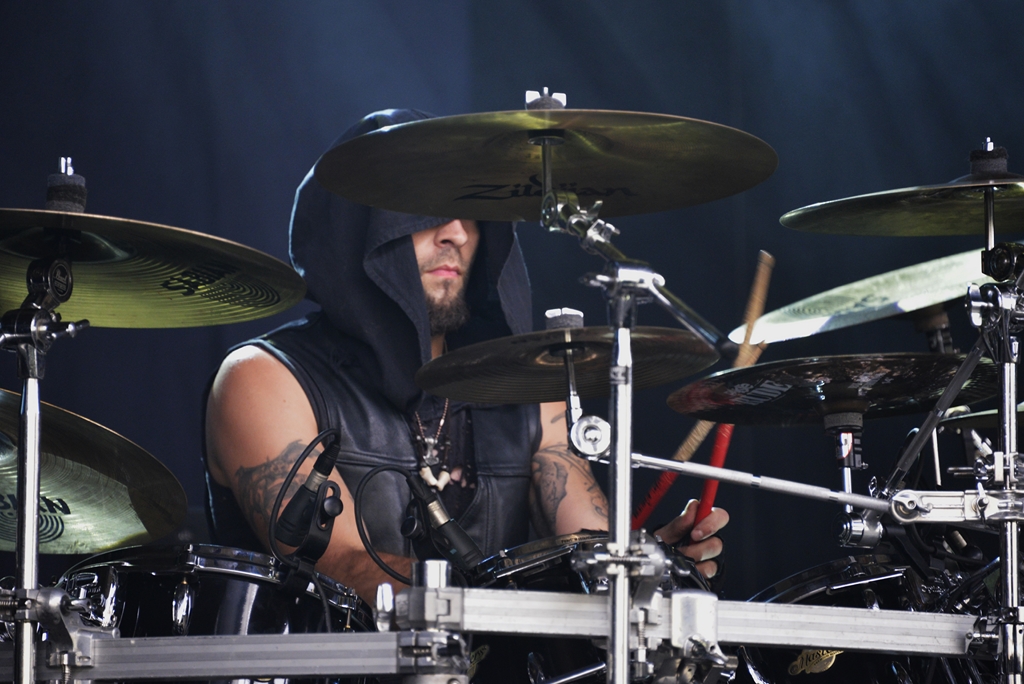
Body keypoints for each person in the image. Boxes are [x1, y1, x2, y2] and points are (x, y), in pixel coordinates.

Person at [203, 109, 728, 602]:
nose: (456, 232)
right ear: (360, 225)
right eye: (422, 210)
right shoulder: (265, 379)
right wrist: (514, 603)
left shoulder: (529, 388)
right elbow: (341, 567)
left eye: (470, 212)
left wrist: (640, 572)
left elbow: (585, 548)